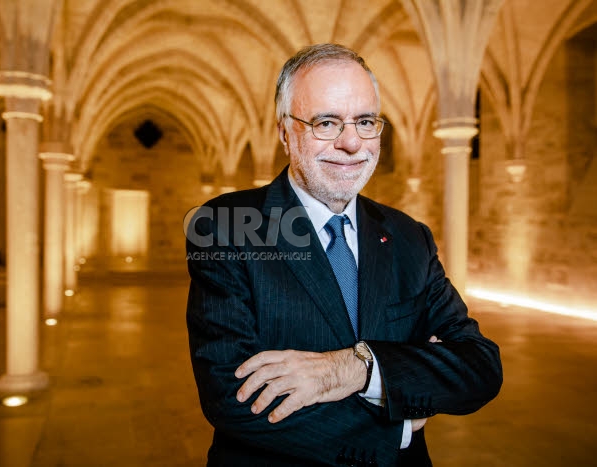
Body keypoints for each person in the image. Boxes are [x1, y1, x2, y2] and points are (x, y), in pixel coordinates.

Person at [185, 43, 502, 467]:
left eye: (365, 121)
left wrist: (356, 368)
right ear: (285, 132)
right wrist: (400, 423)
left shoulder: (409, 237)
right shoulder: (227, 225)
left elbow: (478, 366)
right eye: (327, 122)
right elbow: (233, 394)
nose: (352, 142)